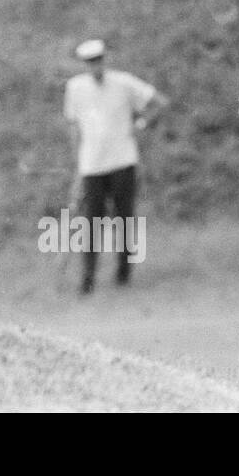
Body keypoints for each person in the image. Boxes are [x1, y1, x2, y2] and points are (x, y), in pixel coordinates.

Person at [63, 38, 169, 294]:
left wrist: (141, 124)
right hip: (92, 165)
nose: (95, 66)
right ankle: (87, 279)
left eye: (98, 60)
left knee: (124, 220)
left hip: (122, 160)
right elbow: (73, 125)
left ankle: (123, 274)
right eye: (89, 62)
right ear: (84, 64)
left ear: (104, 60)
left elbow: (159, 102)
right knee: (91, 223)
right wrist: (78, 160)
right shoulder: (75, 88)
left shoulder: (123, 82)